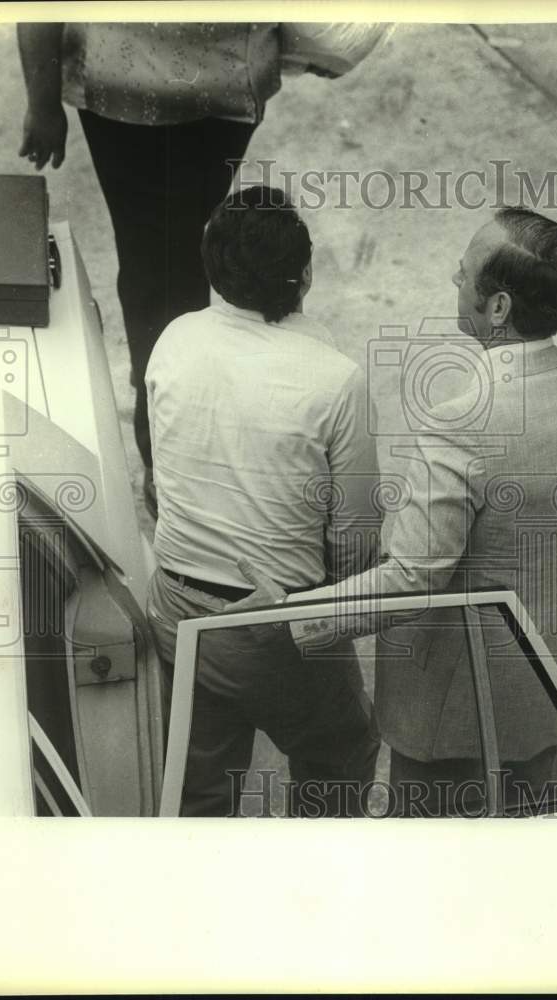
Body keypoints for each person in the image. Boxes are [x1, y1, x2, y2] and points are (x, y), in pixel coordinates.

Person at [230, 207, 557, 817]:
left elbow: (413, 579)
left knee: (431, 864)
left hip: (463, 702)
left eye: (465, 272)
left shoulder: (459, 423)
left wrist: (294, 615)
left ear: (498, 307)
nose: (455, 278)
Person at [144, 186, 382, 817]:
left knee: (198, 790)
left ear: (210, 264)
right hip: (279, 623)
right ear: (304, 276)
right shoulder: (335, 379)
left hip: (177, 610)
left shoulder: (173, 340)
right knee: (341, 753)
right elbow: (357, 539)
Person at [17, 22, 284, 516]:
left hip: (134, 86)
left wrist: (43, 99)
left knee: (158, 262)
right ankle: (169, 443)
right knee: (170, 262)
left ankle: (166, 441)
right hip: (215, 79)